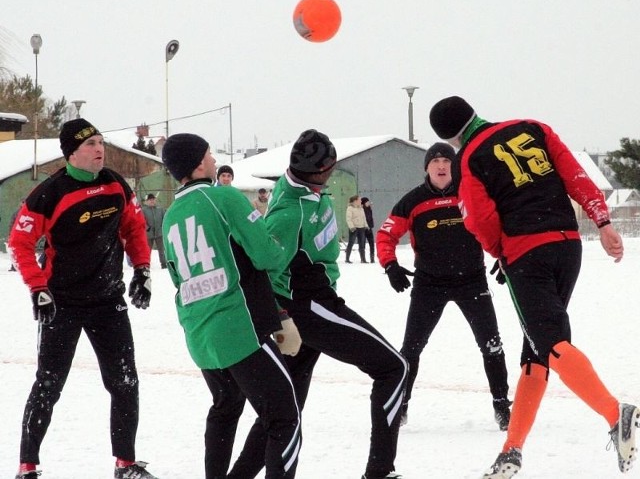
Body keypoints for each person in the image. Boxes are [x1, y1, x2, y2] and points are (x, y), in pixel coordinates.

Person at [429, 96, 639, 478]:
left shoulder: (468, 158)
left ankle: (616, 413)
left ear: (448, 137)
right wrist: (603, 221)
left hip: (527, 251)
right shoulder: (532, 127)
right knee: (537, 349)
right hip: (567, 246)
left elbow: (478, 218)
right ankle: (512, 450)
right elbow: (575, 175)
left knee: (551, 342)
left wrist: (500, 252)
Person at [227, 129, 408, 479]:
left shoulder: (306, 190)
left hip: (314, 301)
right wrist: (282, 317)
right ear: (324, 170)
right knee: (393, 369)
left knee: (284, 411)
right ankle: (380, 472)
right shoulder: (289, 213)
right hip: (309, 306)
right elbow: (261, 268)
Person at [8, 118, 156, 479]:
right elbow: (20, 244)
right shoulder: (50, 192)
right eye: (91, 144)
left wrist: (142, 269)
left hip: (108, 301)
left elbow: (134, 228)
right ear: (72, 152)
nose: (100, 149)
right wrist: (39, 289)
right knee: (49, 384)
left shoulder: (115, 184)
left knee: (125, 382)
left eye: (102, 142)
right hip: (62, 303)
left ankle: (126, 464)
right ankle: (27, 467)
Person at [160, 133, 302, 479]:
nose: (214, 160)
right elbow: (267, 255)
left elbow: (178, 278)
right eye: (209, 155)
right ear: (198, 165)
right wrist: (284, 245)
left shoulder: (170, 216)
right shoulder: (224, 197)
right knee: (285, 417)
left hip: (200, 334)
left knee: (225, 408)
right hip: (240, 328)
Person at [376, 142, 511, 430]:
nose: (441, 166)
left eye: (446, 160)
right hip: (429, 285)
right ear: (426, 167)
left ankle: (502, 406)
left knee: (492, 346)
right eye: (435, 161)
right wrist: (390, 265)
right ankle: (400, 407)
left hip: (472, 281)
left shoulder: (471, 194)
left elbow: (501, 226)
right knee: (410, 350)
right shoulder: (412, 201)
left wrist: (504, 257)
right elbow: (386, 235)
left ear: (455, 166)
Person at [142, 193, 167, 269]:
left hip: (159, 233)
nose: (152, 201)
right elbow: (142, 221)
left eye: (153, 199)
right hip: (149, 234)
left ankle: (164, 264)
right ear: (146, 201)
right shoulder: (143, 210)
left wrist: (162, 227)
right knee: (147, 251)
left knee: (162, 250)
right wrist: (147, 228)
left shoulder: (160, 209)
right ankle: (146, 265)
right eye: (150, 200)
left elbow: (165, 219)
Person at [345, 195, 368, 263]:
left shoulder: (361, 208)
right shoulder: (350, 208)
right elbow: (348, 219)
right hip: (354, 228)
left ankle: (363, 259)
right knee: (351, 243)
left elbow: (364, 218)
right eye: (359, 200)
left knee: (362, 244)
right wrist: (351, 227)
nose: (361, 201)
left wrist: (366, 225)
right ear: (355, 201)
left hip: (361, 228)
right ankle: (347, 259)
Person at [7, 200, 23, 271]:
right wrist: (10, 234)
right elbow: (11, 224)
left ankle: (18, 266)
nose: (23, 204)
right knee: (15, 251)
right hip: (17, 235)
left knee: (21, 251)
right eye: (22, 202)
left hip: (23, 235)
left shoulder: (28, 213)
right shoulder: (17, 213)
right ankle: (14, 266)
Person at [360, 197, 375, 263]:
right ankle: (363, 258)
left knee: (371, 243)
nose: (368, 203)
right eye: (367, 202)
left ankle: (372, 258)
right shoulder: (361, 210)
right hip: (363, 228)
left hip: (369, 228)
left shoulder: (369, 209)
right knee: (362, 244)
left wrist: (371, 226)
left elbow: (370, 218)